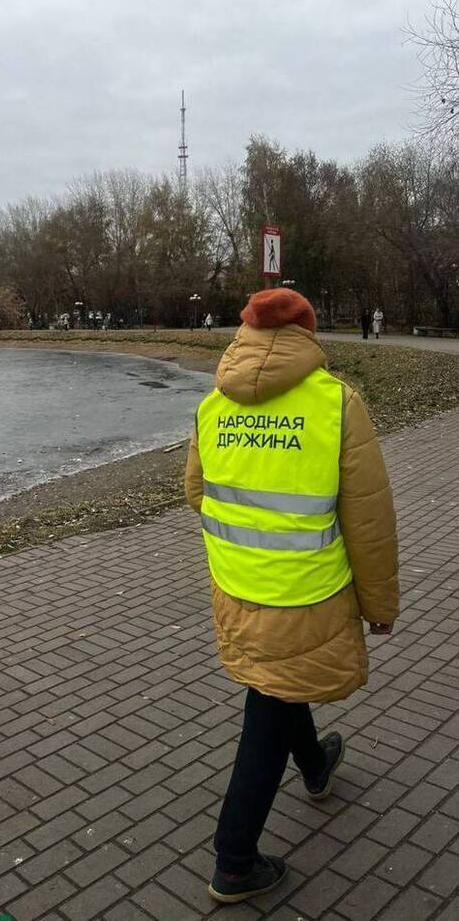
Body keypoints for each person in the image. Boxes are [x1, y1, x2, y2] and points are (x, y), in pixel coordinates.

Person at [184, 288, 399, 904]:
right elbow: (368, 520)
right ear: (306, 333)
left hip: (236, 587)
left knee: (277, 683)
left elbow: (197, 492)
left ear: (245, 332)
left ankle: (315, 765)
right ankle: (234, 860)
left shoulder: (213, 404)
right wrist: (380, 604)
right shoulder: (335, 404)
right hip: (309, 595)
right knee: (270, 704)